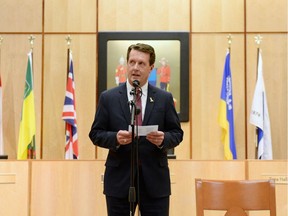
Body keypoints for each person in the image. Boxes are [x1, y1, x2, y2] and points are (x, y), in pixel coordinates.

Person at [89, 43, 183, 216]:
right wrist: (115, 138)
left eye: (141, 64)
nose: (135, 68)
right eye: (131, 62)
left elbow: (177, 134)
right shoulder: (108, 98)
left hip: (155, 180)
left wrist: (164, 139)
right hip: (119, 180)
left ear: (151, 68)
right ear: (126, 64)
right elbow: (95, 134)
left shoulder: (164, 98)